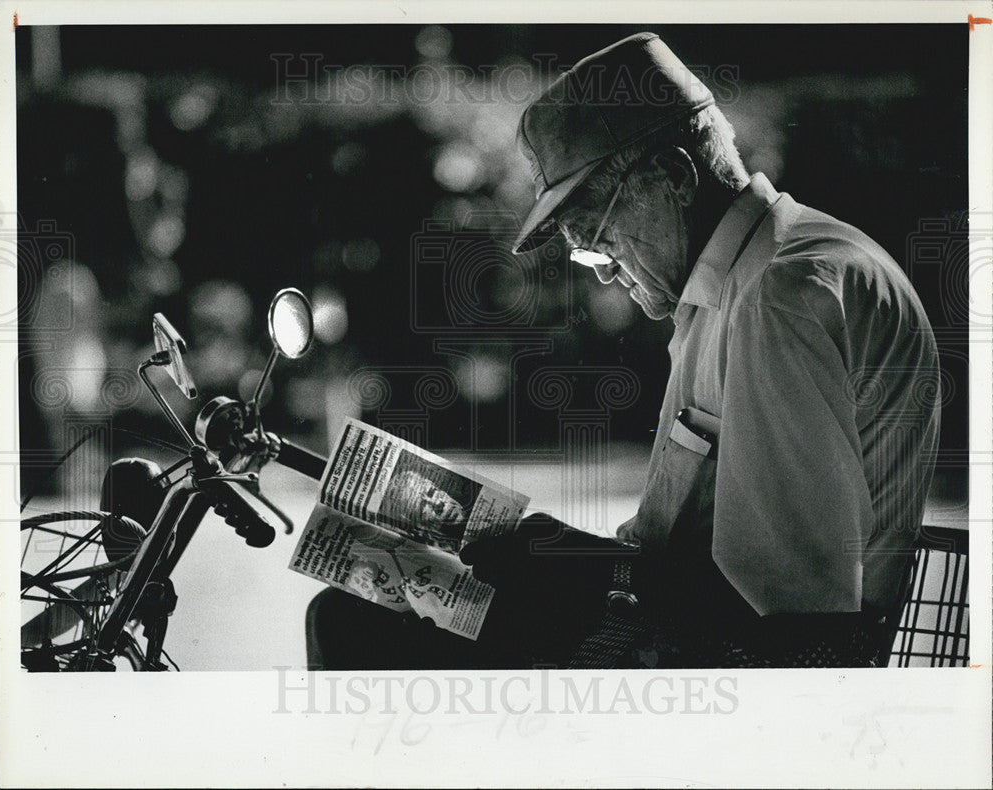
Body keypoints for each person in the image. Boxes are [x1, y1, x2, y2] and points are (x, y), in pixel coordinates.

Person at [307, 32, 940, 669]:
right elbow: (692, 564)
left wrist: (577, 564)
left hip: (728, 677)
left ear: (673, 177)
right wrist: (560, 555)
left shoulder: (777, 296)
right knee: (355, 610)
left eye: (600, 238)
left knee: (355, 630)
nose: (602, 271)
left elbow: (786, 617)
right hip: (684, 642)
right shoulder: (732, 289)